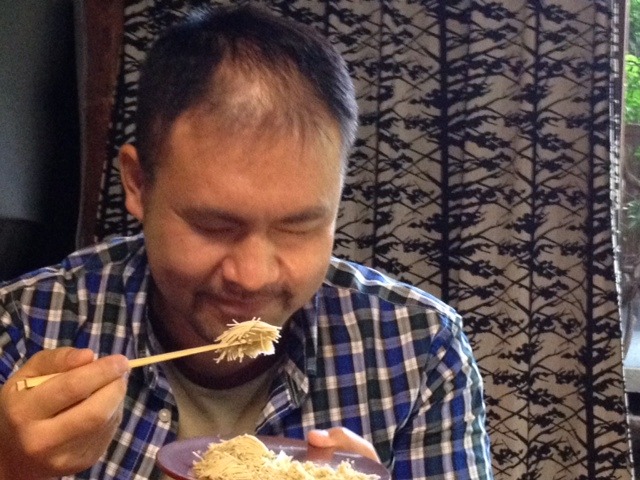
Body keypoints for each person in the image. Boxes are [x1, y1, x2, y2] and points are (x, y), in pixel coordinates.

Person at [0, 5, 493, 480]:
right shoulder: (26, 326)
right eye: (214, 225)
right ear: (137, 184)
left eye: (298, 227)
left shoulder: (419, 349)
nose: (253, 276)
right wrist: (11, 466)